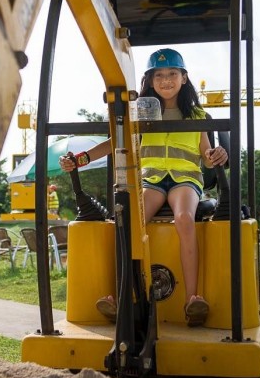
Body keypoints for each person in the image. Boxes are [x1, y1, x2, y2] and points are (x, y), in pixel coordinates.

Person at [59, 48, 228, 327]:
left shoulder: (198, 115)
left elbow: (207, 155)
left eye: (172, 73)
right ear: (149, 80)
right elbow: (115, 142)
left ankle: (192, 299)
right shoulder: (141, 112)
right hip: (151, 179)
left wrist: (217, 154)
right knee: (129, 222)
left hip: (185, 179)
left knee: (184, 218)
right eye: (158, 75)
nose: (166, 80)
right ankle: (119, 297)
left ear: (184, 78)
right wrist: (81, 159)